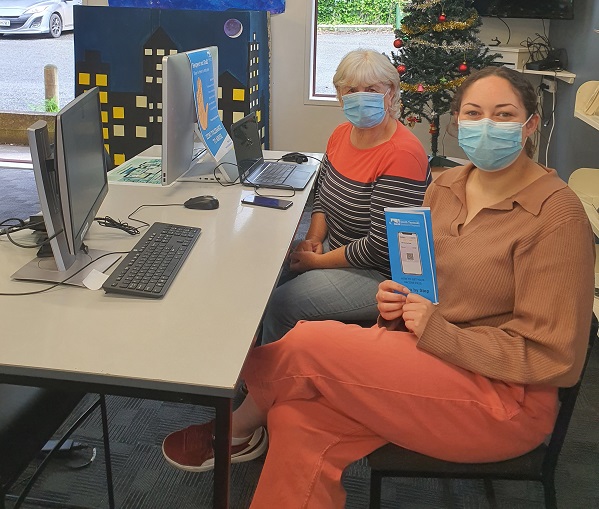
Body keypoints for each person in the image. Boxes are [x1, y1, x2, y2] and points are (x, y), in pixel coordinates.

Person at [162, 65, 595, 509]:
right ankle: (247, 420)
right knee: (295, 420)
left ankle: (232, 415)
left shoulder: (556, 217)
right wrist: (398, 297)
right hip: (424, 357)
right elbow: (422, 281)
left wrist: (435, 329)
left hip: (502, 399)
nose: (487, 126)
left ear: (530, 124)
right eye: (473, 113)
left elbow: (554, 360)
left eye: (504, 115)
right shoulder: (445, 187)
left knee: (310, 339)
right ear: (456, 122)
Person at [260, 48, 431, 343]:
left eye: (372, 89)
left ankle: (268, 383)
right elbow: (322, 197)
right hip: (336, 247)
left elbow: (381, 248)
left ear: (391, 94)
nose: (361, 96)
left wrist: (316, 262)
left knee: (280, 304)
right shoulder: (341, 134)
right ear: (339, 95)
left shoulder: (403, 154)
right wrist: (313, 240)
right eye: (351, 90)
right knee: (264, 279)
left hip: (380, 274)